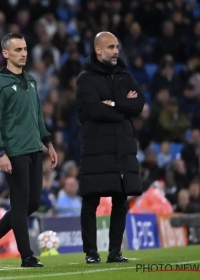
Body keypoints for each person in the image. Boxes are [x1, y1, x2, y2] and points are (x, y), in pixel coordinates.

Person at [0, 33, 58, 268]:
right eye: (17, 50)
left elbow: (38, 116)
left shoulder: (31, 81)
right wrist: (0, 152)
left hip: (34, 149)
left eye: (24, 49)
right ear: (5, 54)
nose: (23, 54)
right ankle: (27, 256)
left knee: (32, 204)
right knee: (21, 204)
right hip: (14, 152)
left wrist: (49, 143)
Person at [75, 32, 145, 264]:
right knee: (91, 200)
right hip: (96, 148)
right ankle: (91, 253)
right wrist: (122, 108)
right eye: (111, 47)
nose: (116, 51)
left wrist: (114, 103)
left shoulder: (124, 75)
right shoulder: (85, 79)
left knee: (121, 200)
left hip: (121, 150)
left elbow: (138, 104)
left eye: (117, 46)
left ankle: (115, 252)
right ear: (98, 50)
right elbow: (93, 110)